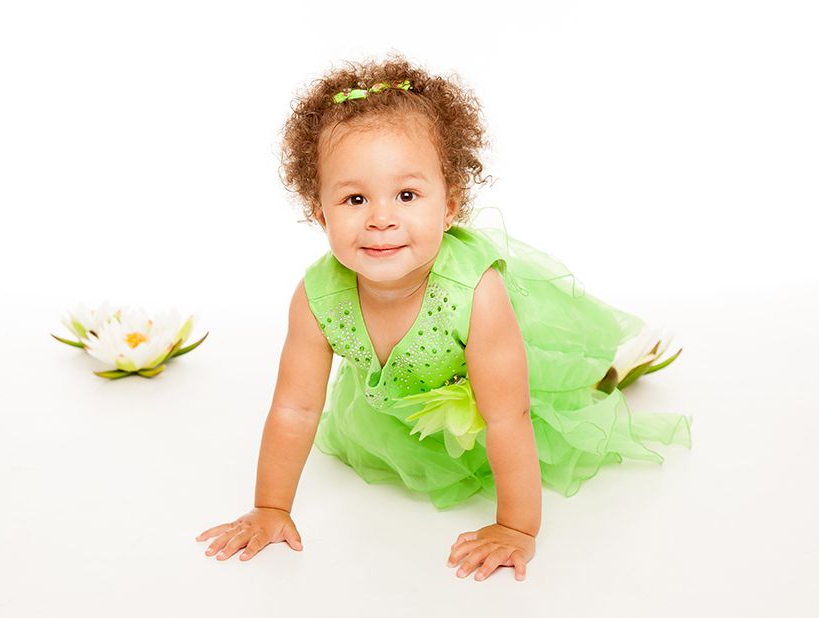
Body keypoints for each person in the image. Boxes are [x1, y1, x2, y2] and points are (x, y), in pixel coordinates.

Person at [196, 52, 692, 582]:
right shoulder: (317, 297)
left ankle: (599, 375)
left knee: (555, 402)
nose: (381, 218)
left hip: (503, 392)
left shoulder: (476, 293)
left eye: (407, 195)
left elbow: (508, 417)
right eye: (355, 198)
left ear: (449, 206)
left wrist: (516, 528)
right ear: (321, 214)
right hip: (404, 406)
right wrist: (270, 507)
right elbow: (295, 409)